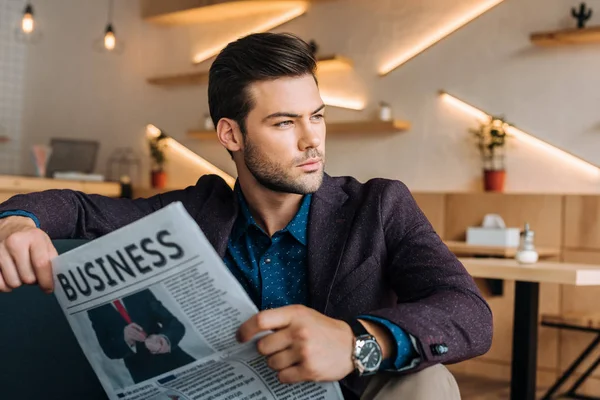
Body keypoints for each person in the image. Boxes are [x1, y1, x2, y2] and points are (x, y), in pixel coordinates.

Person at [0, 32, 492, 399]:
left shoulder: (380, 206)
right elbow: (77, 207)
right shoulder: (192, 211)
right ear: (231, 136)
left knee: (428, 382)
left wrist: (354, 341)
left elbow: (469, 313)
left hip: (346, 391)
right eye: (284, 123)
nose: (311, 140)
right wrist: (16, 220)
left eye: (316, 116)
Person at [88, 288, 195, 385]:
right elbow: (108, 350)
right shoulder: (95, 309)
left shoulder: (138, 292)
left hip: (176, 361)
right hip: (144, 374)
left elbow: (173, 323)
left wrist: (164, 339)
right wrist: (125, 340)